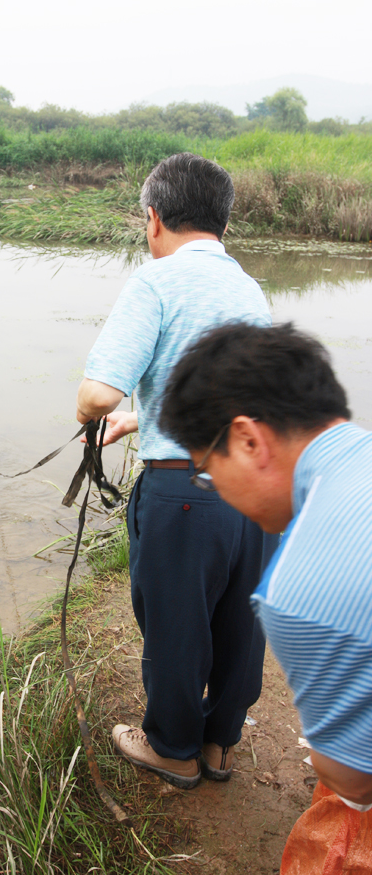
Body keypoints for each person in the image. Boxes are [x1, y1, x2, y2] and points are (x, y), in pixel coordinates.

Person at [75, 152, 279, 789]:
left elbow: (98, 393)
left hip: (185, 495)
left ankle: (171, 746)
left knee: (175, 621)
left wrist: (98, 411)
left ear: (153, 218)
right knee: (239, 622)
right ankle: (220, 744)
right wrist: (145, 419)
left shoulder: (155, 282)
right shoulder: (248, 288)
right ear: (223, 222)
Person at [159, 321, 372, 868]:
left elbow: (352, 781)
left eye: (206, 473)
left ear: (248, 440)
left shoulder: (300, 589)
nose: (215, 490)